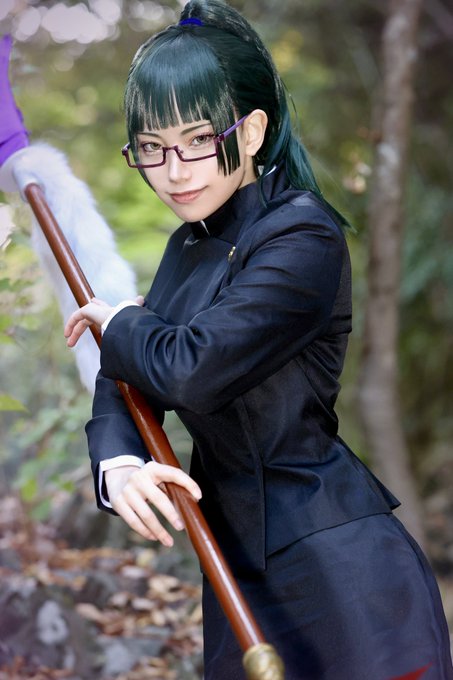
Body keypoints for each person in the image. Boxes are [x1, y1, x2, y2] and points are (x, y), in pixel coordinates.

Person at [3, 2, 452, 678]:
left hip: (345, 574)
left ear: (253, 130)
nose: (175, 171)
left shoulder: (301, 236)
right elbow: (127, 379)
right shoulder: (185, 249)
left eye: (197, 140)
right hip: (234, 573)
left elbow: (191, 367)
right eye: (151, 148)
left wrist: (120, 321)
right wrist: (118, 463)